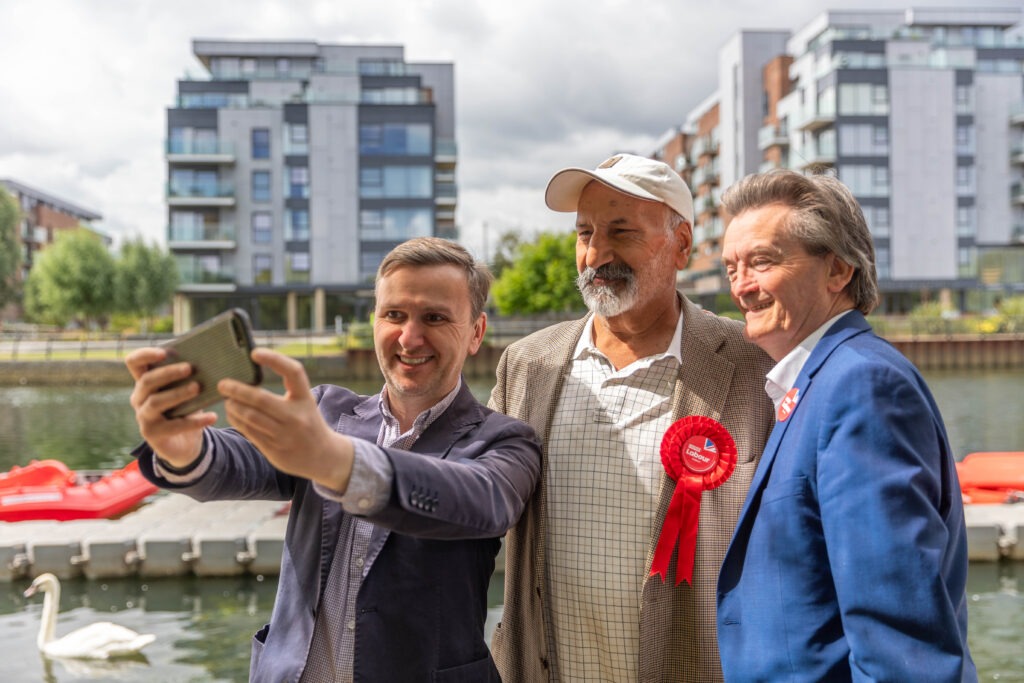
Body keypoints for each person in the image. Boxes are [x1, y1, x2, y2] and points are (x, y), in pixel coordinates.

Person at [126, 237, 541, 683]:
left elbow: (479, 502)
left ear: (476, 332)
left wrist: (337, 463)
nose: (409, 336)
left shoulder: (505, 440)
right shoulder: (326, 410)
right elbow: (240, 459)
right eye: (394, 315)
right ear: (374, 321)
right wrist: (183, 448)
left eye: (435, 318)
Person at [489, 153, 776, 682]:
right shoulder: (527, 363)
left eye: (621, 231)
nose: (597, 252)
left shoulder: (754, 365)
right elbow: (474, 501)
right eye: (585, 233)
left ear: (683, 245)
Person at [716, 169, 975, 681]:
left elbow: (901, 648)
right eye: (731, 269)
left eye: (761, 262)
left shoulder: (861, 386)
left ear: (838, 271)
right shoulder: (819, 382)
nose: (741, 287)